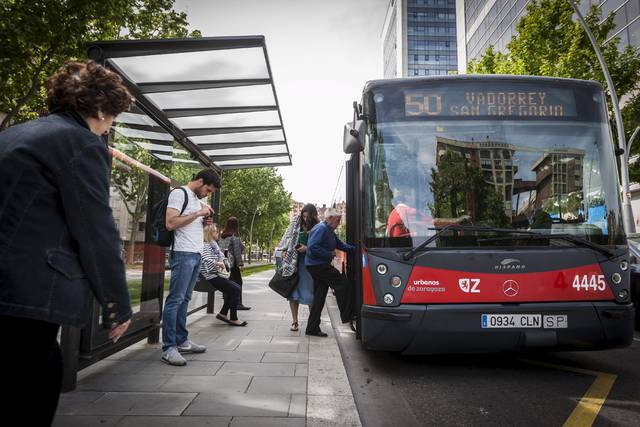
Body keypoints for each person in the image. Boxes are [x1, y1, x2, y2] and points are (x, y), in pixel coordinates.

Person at [0, 60, 134, 425]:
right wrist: (116, 305)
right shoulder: (81, 143)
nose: (110, 126)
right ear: (102, 108)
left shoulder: (14, 134)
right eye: (113, 118)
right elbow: (96, 230)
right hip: (28, 295)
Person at [162, 169, 219, 366]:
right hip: (183, 254)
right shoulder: (179, 193)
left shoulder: (195, 198)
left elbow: (191, 224)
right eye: (209, 190)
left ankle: (181, 340)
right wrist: (197, 213)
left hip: (196, 254)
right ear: (201, 181)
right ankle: (169, 347)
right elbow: (170, 223)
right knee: (175, 299)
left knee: (185, 299)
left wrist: (204, 221)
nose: (208, 194)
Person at [305, 208, 355, 337]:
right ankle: (347, 316)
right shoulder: (321, 229)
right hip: (318, 266)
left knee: (319, 297)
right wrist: (329, 254)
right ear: (329, 218)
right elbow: (312, 247)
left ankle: (312, 328)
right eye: (338, 220)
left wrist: (356, 249)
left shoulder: (329, 230)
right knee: (343, 284)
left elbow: (340, 245)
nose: (339, 222)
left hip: (317, 265)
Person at [277, 204, 319, 331]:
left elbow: (320, 245)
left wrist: (307, 248)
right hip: (293, 264)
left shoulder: (318, 226)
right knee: (293, 294)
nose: (305, 219)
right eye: (304, 216)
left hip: (310, 264)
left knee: (311, 295)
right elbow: (287, 238)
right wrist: (283, 250)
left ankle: (312, 322)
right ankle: (294, 322)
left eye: (308, 217)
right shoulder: (295, 223)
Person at [201, 224, 247, 326]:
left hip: (217, 274)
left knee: (234, 289)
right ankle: (233, 318)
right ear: (210, 233)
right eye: (216, 232)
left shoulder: (213, 244)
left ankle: (223, 314)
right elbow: (205, 259)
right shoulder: (206, 245)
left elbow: (221, 256)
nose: (218, 233)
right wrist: (218, 263)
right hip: (212, 275)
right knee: (235, 289)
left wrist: (223, 261)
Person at [220, 217, 250, 310]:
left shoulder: (222, 236)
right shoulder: (235, 236)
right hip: (233, 264)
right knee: (238, 283)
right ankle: (238, 303)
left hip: (223, 262)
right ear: (236, 225)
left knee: (227, 283)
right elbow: (237, 252)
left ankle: (227, 302)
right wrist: (240, 264)